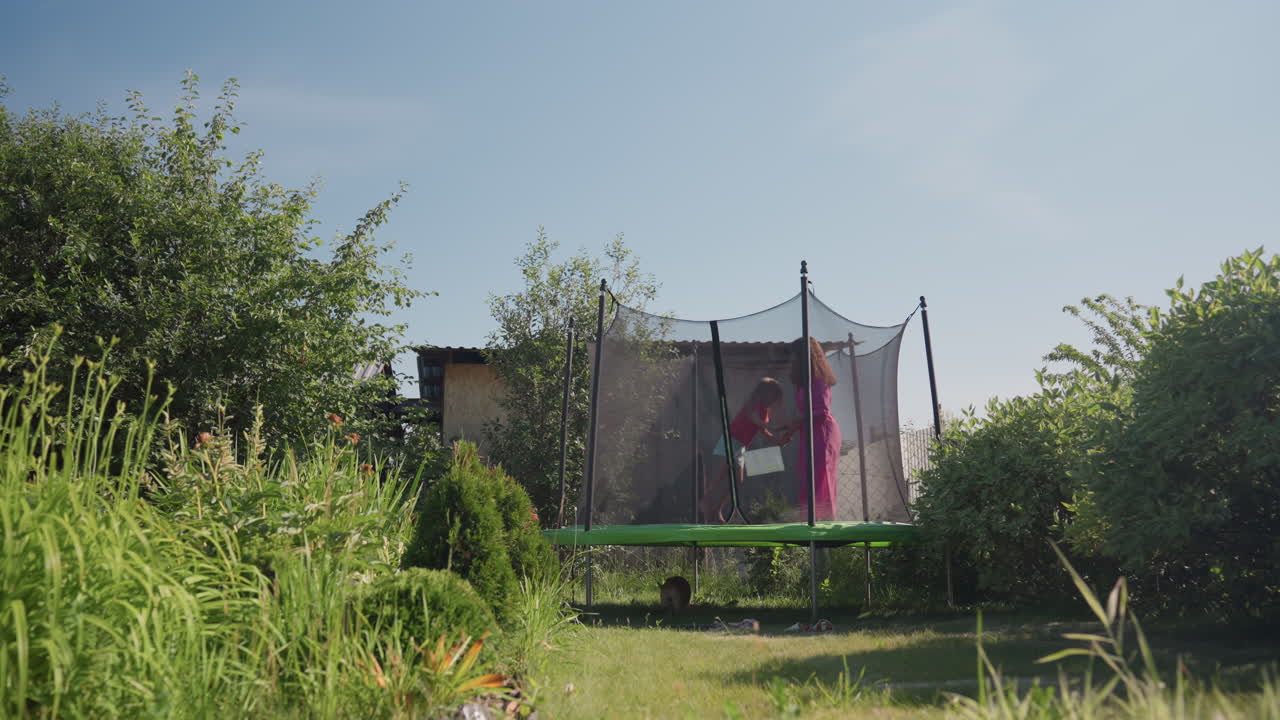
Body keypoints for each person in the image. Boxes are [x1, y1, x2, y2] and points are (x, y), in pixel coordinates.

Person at [701, 377, 789, 523]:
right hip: (730, 442)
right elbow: (756, 421)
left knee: (736, 481)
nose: (773, 401)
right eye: (773, 396)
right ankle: (707, 504)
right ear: (764, 393)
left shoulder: (764, 410)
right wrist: (777, 427)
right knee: (722, 476)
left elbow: (762, 430)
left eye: (775, 398)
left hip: (741, 446)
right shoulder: (752, 405)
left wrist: (777, 441)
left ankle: (716, 508)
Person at [782, 337, 842, 521]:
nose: (792, 361)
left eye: (795, 357)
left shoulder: (819, 380)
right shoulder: (803, 382)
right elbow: (805, 415)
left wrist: (795, 421)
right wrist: (790, 429)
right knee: (808, 478)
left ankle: (825, 524)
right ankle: (812, 520)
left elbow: (821, 411)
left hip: (822, 434)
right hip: (809, 433)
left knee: (820, 479)